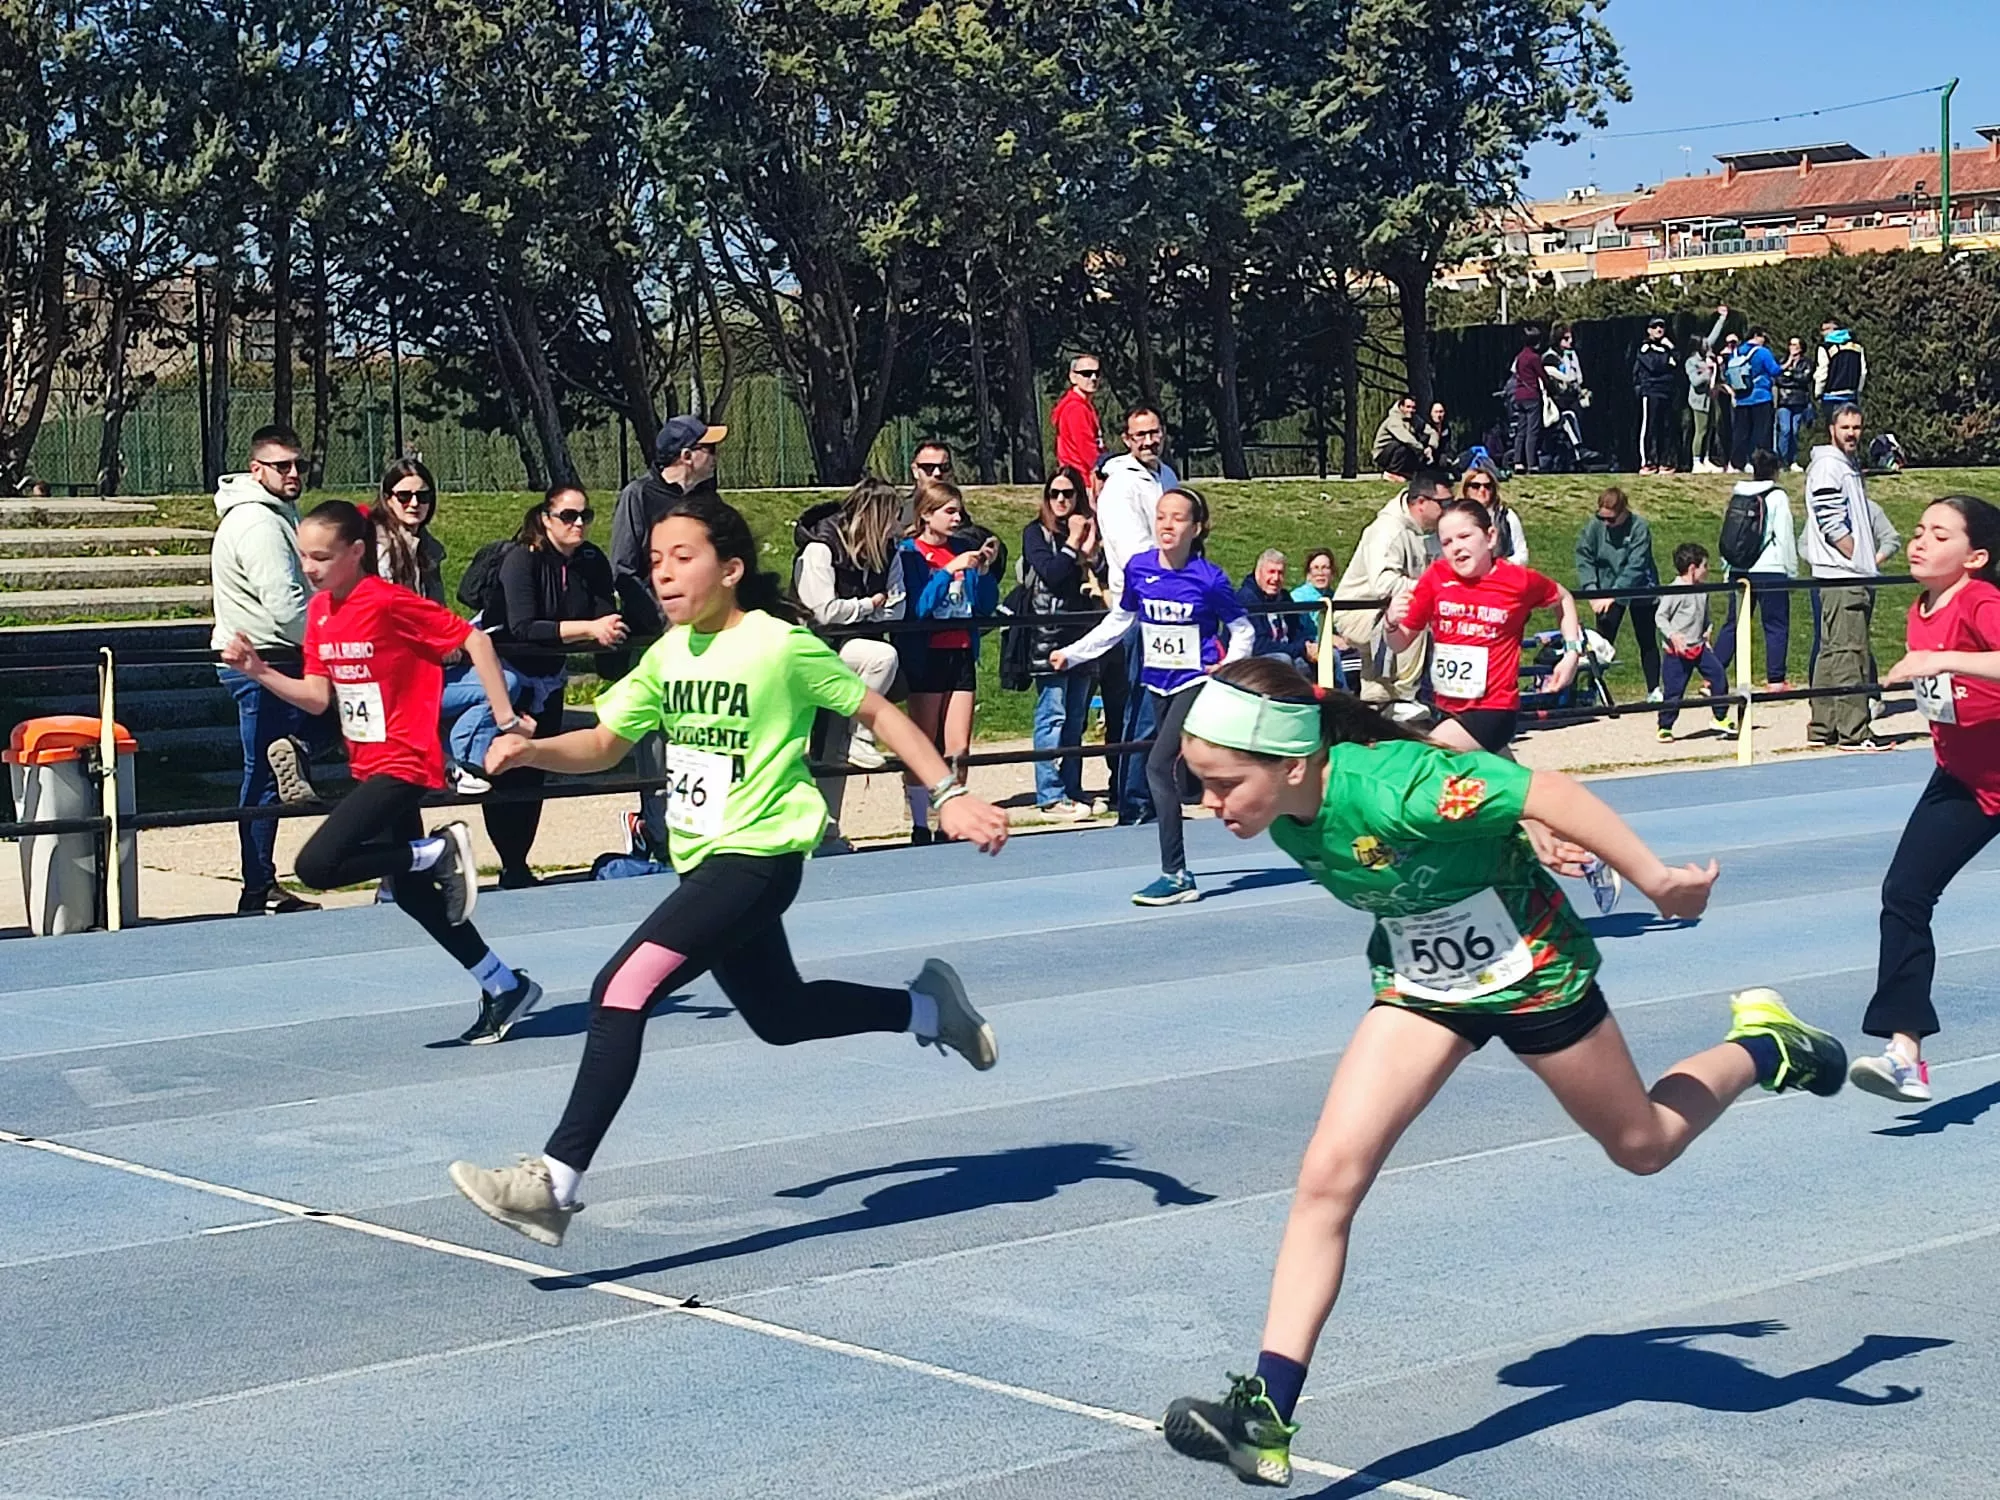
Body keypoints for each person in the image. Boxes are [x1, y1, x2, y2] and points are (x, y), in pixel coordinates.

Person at [1158, 658, 1847, 1488]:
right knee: (1327, 1178)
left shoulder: (1393, 787)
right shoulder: (1289, 815)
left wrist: (1656, 880)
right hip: (1423, 988)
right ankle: (1266, 1415)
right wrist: (1516, 826)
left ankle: (1765, 1045)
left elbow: (1547, 789)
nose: (1210, 805)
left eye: (1223, 785)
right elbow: (1480, 799)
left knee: (1644, 1145)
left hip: (1532, 975)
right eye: (1199, 785)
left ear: (1294, 764)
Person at [446, 493, 1012, 1247]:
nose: (664, 574)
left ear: (731, 569)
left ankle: (553, 1182)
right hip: (704, 862)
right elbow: (605, 743)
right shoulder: (668, 654)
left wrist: (947, 794)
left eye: (683, 558)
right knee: (782, 1016)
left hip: (760, 857)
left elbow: (878, 713)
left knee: (621, 988)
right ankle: (929, 1010)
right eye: (655, 561)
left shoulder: (780, 646)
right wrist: (533, 750)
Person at [220, 501, 544, 1046]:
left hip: (406, 761)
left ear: (356, 552)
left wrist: (507, 720)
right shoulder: (321, 614)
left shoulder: (389, 602)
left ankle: (436, 852)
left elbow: (476, 640)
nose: (309, 567)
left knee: (317, 865)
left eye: (321, 557)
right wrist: (258, 670)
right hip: (369, 764)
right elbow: (317, 696)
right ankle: (503, 984)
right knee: (415, 897)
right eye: (302, 556)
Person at [1848, 496, 2000, 1103]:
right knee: (1904, 895)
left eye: (1939, 535)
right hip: (1964, 782)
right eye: (1918, 531)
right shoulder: (1920, 609)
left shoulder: (1981, 600)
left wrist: (1941, 659)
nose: (1919, 542)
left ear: (1975, 557)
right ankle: (1904, 1054)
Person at [1052, 488, 1253, 905]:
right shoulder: (1139, 568)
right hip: (1156, 683)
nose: (1167, 525)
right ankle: (1247, 782)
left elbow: (1243, 630)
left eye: (1178, 518)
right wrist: (1073, 653)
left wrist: (1227, 667)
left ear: (1196, 528)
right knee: (1177, 769)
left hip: (1194, 682)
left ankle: (1176, 874)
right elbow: (1120, 620)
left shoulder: (1209, 579)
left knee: (1157, 767)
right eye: (1161, 516)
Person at [474, 488, 623, 885]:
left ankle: (518, 863)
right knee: (507, 768)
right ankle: (509, 860)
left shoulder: (590, 560)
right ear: (545, 518)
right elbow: (524, 626)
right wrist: (589, 628)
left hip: (551, 678)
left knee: (536, 767)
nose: (579, 523)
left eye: (585, 515)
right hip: (509, 677)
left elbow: (603, 609)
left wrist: (608, 623)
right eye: (568, 516)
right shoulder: (522, 559)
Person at [209, 423, 319, 916]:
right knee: (264, 775)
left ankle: (259, 886)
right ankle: (257, 887)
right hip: (262, 661)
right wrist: (332, 647)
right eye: (282, 466)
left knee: (268, 770)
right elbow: (286, 605)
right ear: (256, 470)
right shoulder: (258, 524)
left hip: (269, 656)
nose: (293, 473)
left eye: (299, 464)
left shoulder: (275, 514)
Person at [610, 413, 726, 851]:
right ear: (686, 455)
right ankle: (657, 833)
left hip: (708, 637)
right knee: (657, 739)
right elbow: (623, 570)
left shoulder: (709, 501)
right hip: (658, 640)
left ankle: (703, 831)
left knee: (707, 733)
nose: (715, 457)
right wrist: (666, 618)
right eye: (708, 448)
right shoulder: (639, 496)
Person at [1386, 498, 1580, 755]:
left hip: (1493, 710)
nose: (1456, 548)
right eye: (1447, 542)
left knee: (1425, 758)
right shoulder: (1435, 578)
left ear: (1490, 537)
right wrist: (1390, 622)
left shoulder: (1517, 580)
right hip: (1445, 708)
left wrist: (1571, 653)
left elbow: (1563, 598)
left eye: (1464, 536)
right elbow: (1399, 643)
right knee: (1497, 778)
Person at [794, 476, 908, 845]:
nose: (898, 527)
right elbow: (822, 611)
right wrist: (867, 605)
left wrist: (863, 611)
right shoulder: (821, 549)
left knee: (833, 746)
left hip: (853, 646)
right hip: (818, 649)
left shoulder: (888, 552)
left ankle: (828, 832)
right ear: (875, 517)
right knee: (883, 656)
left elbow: (896, 608)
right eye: (893, 518)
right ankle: (860, 731)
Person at [898, 481, 1000, 845]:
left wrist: (983, 572)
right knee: (924, 741)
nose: (957, 519)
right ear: (927, 514)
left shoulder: (961, 550)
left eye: (959, 511)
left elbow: (984, 606)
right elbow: (918, 608)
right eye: (949, 511)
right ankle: (919, 821)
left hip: (960, 650)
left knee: (959, 747)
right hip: (927, 653)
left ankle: (950, 820)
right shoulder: (910, 552)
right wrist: (946, 572)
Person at [1095, 405, 1181, 823]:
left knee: (1166, 708)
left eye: (1154, 432)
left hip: (1174, 607)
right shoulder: (1120, 487)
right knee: (1143, 708)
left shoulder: (1168, 477)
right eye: (1140, 435)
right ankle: (1133, 803)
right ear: (1127, 440)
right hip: (1139, 611)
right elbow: (1136, 554)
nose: (1149, 441)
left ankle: (1156, 796)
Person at [1331, 471, 1451, 718]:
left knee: (1376, 690)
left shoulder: (1430, 532)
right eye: (1444, 503)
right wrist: (1430, 589)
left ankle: (1376, 714)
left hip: (1383, 610)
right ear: (1421, 502)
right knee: (1412, 615)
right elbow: (1383, 584)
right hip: (1356, 611)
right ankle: (1404, 696)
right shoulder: (1387, 530)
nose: (1448, 509)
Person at [1802, 405, 1886, 751]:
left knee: (1831, 652)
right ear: (1832, 430)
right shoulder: (1829, 466)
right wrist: (1854, 555)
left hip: (1840, 573)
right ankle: (1854, 731)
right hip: (1843, 574)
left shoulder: (1845, 464)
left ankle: (1824, 727)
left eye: (1857, 427)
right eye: (1846, 427)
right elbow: (1829, 518)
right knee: (1850, 653)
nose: (1852, 433)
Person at [1022, 466, 1101, 817]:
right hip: (1049, 636)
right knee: (1052, 715)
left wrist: (1091, 549)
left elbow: (1102, 574)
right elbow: (1052, 575)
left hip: (1083, 635)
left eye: (1068, 493)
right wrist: (1072, 542)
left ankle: (1072, 787)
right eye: (1054, 493)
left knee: (1075, 718)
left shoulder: (1090, 528)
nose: (1061, 500)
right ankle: (1049, 794)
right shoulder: (1035, 533)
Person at [1714, 449, 1799, 692]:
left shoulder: (1738, 494)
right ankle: (1776, 680)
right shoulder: (1777, 496)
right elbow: (1784, 536)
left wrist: (1728, 568)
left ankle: (1713, 676)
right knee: (1775, 625)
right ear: (1776, 471)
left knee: (1734, 623)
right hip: (1771, 569)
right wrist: (1791, 572)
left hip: (1739, 568)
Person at [1575, 487, 1662, 699]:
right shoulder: (1594, 527)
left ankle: (1653, 689)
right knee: (1601, 642)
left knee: (1646, 638)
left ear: (1624, 512)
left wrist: (1614, 595)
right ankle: (1593, 690)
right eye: (1602, 518)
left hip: (1640, 586)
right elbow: (1584, 556)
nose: (1606, 523)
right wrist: (1592, 590)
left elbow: (1636, 565)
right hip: (1605, 586)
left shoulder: (1639, 527)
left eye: (1611, 519)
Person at [1655, 542, 1734, 742]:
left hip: (1699, 647)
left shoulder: (1702, 590)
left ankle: (1720, 717)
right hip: (1677, 653)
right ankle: (1665, 726)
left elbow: (1703, 615)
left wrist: (1707, 630)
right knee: (1674, 692)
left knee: (1718, 676)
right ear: (1692, 568)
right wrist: (1673, 635)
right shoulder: (1675, 591)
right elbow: (1660, 617)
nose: (1707, 570)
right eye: (1704, 566)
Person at [370, 458, 446, 603]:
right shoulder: (377, 546)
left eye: (423, 496)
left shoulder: (429, 547)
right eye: (404, 496)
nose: (414, 503)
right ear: (387, 499)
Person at [1239, 549, 1311, 676]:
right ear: (1258, 573)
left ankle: (1337, 689)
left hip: (1285, 652)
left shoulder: (1284, 598)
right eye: (1271, 572)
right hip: (1249, 661)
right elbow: (1258, 645)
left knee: (1328, 655)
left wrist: (1308, 645)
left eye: (1280, 573)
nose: (1276, 578)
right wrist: (1300, 648)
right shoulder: (1247, 599)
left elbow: (1297, 632)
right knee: (1284, 661)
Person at [1290, 547, 1352, 691]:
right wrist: (1327, 638)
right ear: (1308, 574)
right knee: (1332, 656)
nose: (1320, 573)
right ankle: (1345, 698)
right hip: (1307, 646)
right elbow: (1298, 632)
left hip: (1335, 644)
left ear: (1332, 572)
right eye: (1316, 568)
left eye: (1325, 568)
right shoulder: (1298, 598)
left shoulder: (1335, 596)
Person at [1728, 329, 1783, 472]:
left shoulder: (1736, 352)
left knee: (1741, 432)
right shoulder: (1763, 352)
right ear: (1756, 336)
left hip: (1741, 398)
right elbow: (1774, 370)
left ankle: (1737, 463)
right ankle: (1760, 463)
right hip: (1760, 397)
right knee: (1761, 432)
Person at [1631, 316, 1679, 475]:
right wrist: (1666, 361)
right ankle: (1648, 462)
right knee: (1649, 427)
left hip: (1666, 391)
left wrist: (1670, 350)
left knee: (1665, 428)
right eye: (1655, 327)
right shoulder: (1645, 347)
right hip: (1651, 390)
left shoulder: (1667, 347)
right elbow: (1653, 365)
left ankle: (1665, 461)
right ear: (1649, 330)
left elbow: (1677, 363)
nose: (1659, 330)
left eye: (1661, 327)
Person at [1683, 306, 1728, 473]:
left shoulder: (1705, 357)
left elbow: (1713, 337)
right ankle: (1696, 461)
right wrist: (1707, 372)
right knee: (1700, 430)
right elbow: (1695, 381)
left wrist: (1722, 319)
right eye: (1704, 344)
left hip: (1710, 399)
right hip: (1699, 401)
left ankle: (1707, 458)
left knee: (1710, 429)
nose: (1708, 346)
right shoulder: (1692, 362)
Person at [1051, 355, 1104, 494]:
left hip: (1080, 480)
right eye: (1086, 373)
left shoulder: (1084, 405)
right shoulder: (1076, 409)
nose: (1093, 378)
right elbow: (1088, 449)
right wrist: (1106, 470)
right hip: (1083, 482)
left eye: (1097, 373)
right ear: (1073, 377)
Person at [1460, 466, 1527, 564]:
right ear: (1466, 489)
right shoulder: (1456, 517)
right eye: (1475, 486)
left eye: (1487, 486)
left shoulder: (1506, 516)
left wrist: (1502, 565)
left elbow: (1521, 553)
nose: (1482, 490)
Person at [1509, 327, 1547, 475]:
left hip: (1519, 395)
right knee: (1533, 430)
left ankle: (1518, 462)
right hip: (1531, 395)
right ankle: (1532, 463)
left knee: (1521, 430)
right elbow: (1542, 375)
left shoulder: (1519, 357)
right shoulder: (1534, 357)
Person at [1775, 335, 1814, 471]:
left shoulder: (1806, 363)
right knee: (1785, 430)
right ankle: (1782, 461)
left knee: (1795, 431)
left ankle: (1793, 460)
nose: (1793, 347)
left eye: (1796, 345)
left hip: (1799, 400)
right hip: (1784, 400)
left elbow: (1805, 378)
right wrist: (1791, 374)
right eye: (1791, 344)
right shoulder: (1782, 360)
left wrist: (1790, 374)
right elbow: (1779, 379)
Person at [1815, 325, 1868, 422]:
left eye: (1826, 329)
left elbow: (1822, 373)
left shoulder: (1825, 347)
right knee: (1848, 426)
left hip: (1830, 395)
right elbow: (1863, 372)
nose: (1823, 333)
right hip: (1851, 394)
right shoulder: (1857, 347)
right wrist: (1859, 390)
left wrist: (1818, 392)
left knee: (1832, 426)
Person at [1371, 395, 1429, 479]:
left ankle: (1407, 472)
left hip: (1400, 449)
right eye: (1408, 407)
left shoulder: (1415, 419)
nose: (1411, 410)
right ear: (1401, 407)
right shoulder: (1393, 420)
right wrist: (1422, 450)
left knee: (1420, 440)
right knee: (1404, 445)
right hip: (1383, 453)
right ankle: (1391, 472)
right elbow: (1406, 438)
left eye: (1413, 408)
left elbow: (1429, 430)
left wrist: (1431, 447)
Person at [1424, 402, 1451, 466]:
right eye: (1436, 412)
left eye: (1441, 412)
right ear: (1431, 413)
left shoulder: (1446, 428)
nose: (1438, 415)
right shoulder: (1426, 429)